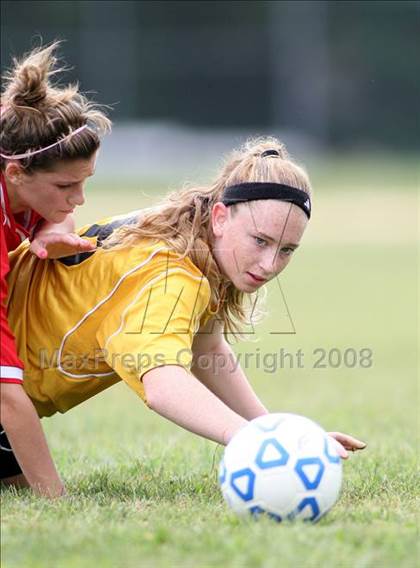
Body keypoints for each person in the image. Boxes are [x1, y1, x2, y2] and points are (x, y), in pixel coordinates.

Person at [1, 137, 366, 496]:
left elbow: (206, 349)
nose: (271, 264)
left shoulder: (183, 236)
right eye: (260, 240)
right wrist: (257, 443)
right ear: (221, 216)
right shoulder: (172, 275)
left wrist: (280, 435)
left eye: (286, 250)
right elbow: (164, 385)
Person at [0, 42, 111, 496]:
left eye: (84, 182)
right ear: (14, 174)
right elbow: (6, 392)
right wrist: (57, 498)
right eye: (66, 186)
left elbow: (59, 207)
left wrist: (52, 226)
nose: (78, 201)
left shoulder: (19, 138)